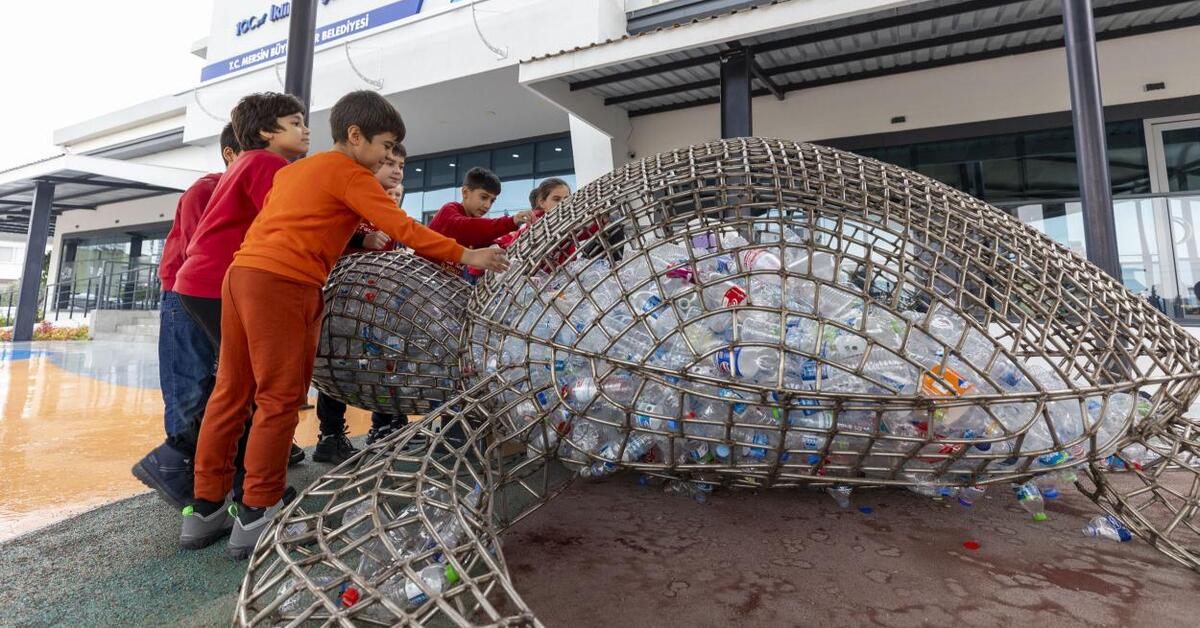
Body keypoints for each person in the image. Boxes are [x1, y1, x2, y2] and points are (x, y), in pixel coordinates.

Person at [180, 90, 508, 558]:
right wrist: (465, 253)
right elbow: (403, 228)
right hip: (283, 283)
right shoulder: (351, 173)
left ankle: (205, 506)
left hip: (241, 275)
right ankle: (258, 509)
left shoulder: (296, 171)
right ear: (356, 136)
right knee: (279, 397)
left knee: (231, 391)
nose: (389, 157)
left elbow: (299, 222)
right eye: (386, 146)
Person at [130, 124, 239, 509]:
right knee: (188, 384)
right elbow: (202, 250)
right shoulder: (205, 190)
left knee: (222, 384)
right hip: (185, 293)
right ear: (231, 155)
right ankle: (178, 472)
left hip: (227, 296)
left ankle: (216, 469)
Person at [312, 146, 407, 465]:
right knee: (335, 363)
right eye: (388, 163)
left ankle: (386, 426)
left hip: (377, 304)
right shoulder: (350, 200)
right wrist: (360, 240)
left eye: (401, 165)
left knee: (385, 362)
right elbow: (326, 230)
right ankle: (331, 433)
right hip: (341, 298)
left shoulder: (389, 212)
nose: (396, 170)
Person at [428, 167, 533, 281]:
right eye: (484, 197)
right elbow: (470, 228)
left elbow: (492, 245)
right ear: (465, 192)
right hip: (421, 282)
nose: (487, 205)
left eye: (492, 201)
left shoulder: (476, 231)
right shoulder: (449, 211)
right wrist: (511, 221)